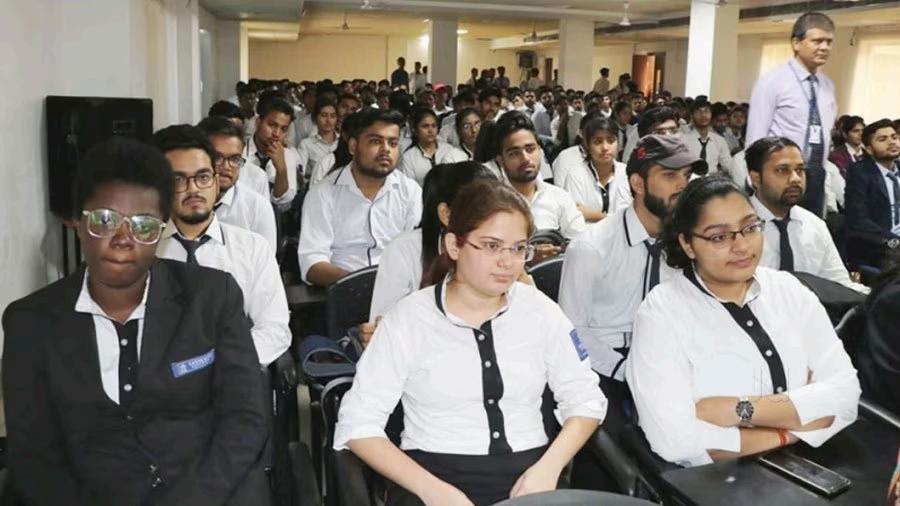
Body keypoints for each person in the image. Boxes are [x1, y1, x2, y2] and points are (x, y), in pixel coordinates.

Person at [2, 138, 268, 505]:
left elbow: (245, 418)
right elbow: (35, 457)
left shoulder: (211, 297)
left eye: (143, 225)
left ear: (161, 230)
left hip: (208, 491)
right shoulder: (31, 323)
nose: (123, 239)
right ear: (78, 223)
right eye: (105, 220)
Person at [334, 180, 607, 506]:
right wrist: (431, 490)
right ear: (454, 245)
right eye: (492, 246)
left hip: (532, 478)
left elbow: (586, 400)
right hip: (431, 479)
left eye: (519, 248)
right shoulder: (408, 319)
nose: (508, 261)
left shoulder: (541, 312)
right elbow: (357, 423)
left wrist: (550, 467)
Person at [626, 174, 860, 467]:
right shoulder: (661, 313)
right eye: (719, 237)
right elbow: (674, 440)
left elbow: (845, 394)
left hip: (815, 465)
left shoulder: (788, 290)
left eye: (750, 228)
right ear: (687, 244)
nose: (741, 246)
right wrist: (790, 431)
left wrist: (739, 409)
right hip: (720, 478)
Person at [559, 133, 705, 393]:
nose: (683, 185)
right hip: (609, 363)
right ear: (638, 183)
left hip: (673, 358)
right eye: (670, 175)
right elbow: (571, 331)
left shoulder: (690, 241)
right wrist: (626, 370)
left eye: (686, 175)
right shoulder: (591, 247)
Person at [152, 125, 291, 367]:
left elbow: (274, 330)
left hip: (233, 374)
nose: (194, 189)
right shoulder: (145, 250)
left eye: (203, 177)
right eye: (178, 179)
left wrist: (215, 363)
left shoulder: (252, 248)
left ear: (216, 182)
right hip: (160, 378)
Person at [298, 108, 422, 287]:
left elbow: (417, 253)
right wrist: (362, 285)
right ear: (353, 146)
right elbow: (312, 263)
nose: (386, 150)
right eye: (375, 141)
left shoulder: (410, 191)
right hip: (344, 290)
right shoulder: (323, 194)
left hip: (400, 289)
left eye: (393, 143)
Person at [368, 162, 496, 330]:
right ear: (446, 214)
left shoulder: (505, 250)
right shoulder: (403, 250)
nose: (493, 220)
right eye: (480, 210)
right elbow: (383, 326)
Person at [745, 137, 866, 292]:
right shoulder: (733, 228)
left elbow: (839, 285)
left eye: (800, 170)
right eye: (782, 170)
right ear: (755, 178)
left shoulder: (814, 225)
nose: (795, 179)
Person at [747, 12, 837, 218]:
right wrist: (755, 182)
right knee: (776, 230)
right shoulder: (773, 81)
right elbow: (755, 138)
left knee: (809, 231)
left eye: (829, 42)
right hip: (779, 173)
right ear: (796, 43)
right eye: (817, 41)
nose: (825, 47)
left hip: (815, 176)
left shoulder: (827, 86)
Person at [493, 112, 586, 248]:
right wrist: (530, 255)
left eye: (530, 149)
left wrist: (559, 249)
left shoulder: (559, 197)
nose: (525, 158)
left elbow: (581, 242)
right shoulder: (491, 203)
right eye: (514, 153)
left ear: (539, 150)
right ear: (500, 160)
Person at [197, 117, 277, 253]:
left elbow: (266, 261)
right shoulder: (182, 201)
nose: (226, 166)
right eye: (217, 157)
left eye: (235, 159)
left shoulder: (257, 207)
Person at [845, 119, 900, 269]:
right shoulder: (860, 173)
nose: (892, 142)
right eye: (882, 139)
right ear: (869, 149)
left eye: (894, 137)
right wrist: (894, 241)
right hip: (881, 245)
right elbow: (859, 220)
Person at [557, 114, 628, 223]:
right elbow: (574, 220)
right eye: (598, 142)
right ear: (588, 146)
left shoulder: (626, 172)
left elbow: (631, 217)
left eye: (611, 141)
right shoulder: (576, 175)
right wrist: (615, 219)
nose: (605, 147)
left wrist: (595, 215)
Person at [245, 96, 300, 211]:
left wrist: (281, 169)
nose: (276, 134)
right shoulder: (240, 151)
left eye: (283, 129)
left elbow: (284, 204)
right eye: (272, 125)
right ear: (258, 123)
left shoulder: (288, 155)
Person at [398, 107, 466, 186]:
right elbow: (408, 186)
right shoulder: (409, 157)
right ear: (415, 130)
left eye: (434, 126)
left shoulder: (449, 150)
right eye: (425, 126)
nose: (430, 130)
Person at [683, 99, 734, 175]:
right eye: (698, 112)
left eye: (706, 111)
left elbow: (728, 166)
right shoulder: (683, 140)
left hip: (712, 180)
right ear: (692, 116)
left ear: (711, 115)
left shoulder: (720, 141)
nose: (703, 115)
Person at [297, 97, 340, 185]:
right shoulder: (306, 144)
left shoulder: (343, 142)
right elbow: (300, 174)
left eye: (332, 116)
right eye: (324, 115)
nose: (328, 120)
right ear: (314, 118)